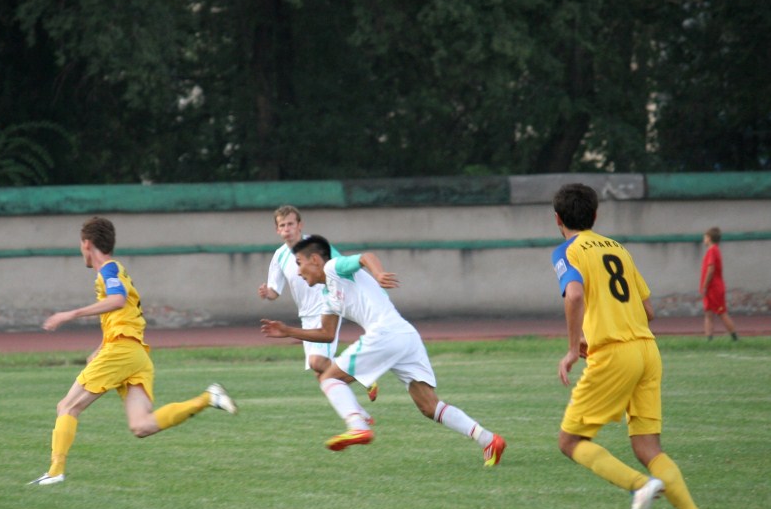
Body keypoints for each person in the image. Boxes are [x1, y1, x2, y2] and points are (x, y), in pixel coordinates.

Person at [550, 183, 710, 509]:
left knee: (570, 441)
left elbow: (573, 295)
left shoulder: (566, 251)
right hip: (647, 351)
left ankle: (639, 486)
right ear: (595, 215)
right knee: (647, 446)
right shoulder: (618, 248)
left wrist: (573, 348)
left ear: (557, 219)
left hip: (614, 354)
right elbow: (648, 310)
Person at [260, 235, 506, 466]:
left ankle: (358, 425)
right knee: (429, 406)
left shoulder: (333, 267)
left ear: (315, 259)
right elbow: (326, 333)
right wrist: (288, 331)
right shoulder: (327, 295)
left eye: (299, 263)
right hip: (404, 336)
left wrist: (377, 274)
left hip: (386, 332)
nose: (298, 271)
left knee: (329, 378)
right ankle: (488, 440)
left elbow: (365, 257)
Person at [30, 216, 237, 485]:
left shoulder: (108, 270)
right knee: (141, 425)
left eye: (81, 244)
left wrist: (71, 314)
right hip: (136, 354)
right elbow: (124, 315)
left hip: (122, 352)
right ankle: (208, 398)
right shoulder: (117, 271)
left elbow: (118, 300)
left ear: (87, 243)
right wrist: (101, 347)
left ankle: (55, 471)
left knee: (67, 406)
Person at [258, 205, 377, 405]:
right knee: (322, 374)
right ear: (277, 230)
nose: (287, 229)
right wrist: (266, 293)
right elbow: (274, 291)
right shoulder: (279, 255)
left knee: (318, 362)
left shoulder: (314, 246)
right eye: (282, 225)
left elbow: (338, 264)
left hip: (327, 308)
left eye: (290, 224)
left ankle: (363, 376)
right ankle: (359, 408)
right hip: (306, 316)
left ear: (300, 225)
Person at [700, 227, 738, 341]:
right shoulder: (713, 250)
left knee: (721, 312)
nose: (704, 239)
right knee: (708, 313)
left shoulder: (712, 250)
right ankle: (709, 338)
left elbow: (711, 269)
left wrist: (705, 286)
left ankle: (735, 337)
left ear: (709, 238)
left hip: (714, 288)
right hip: (711, 287)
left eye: (705, 237)